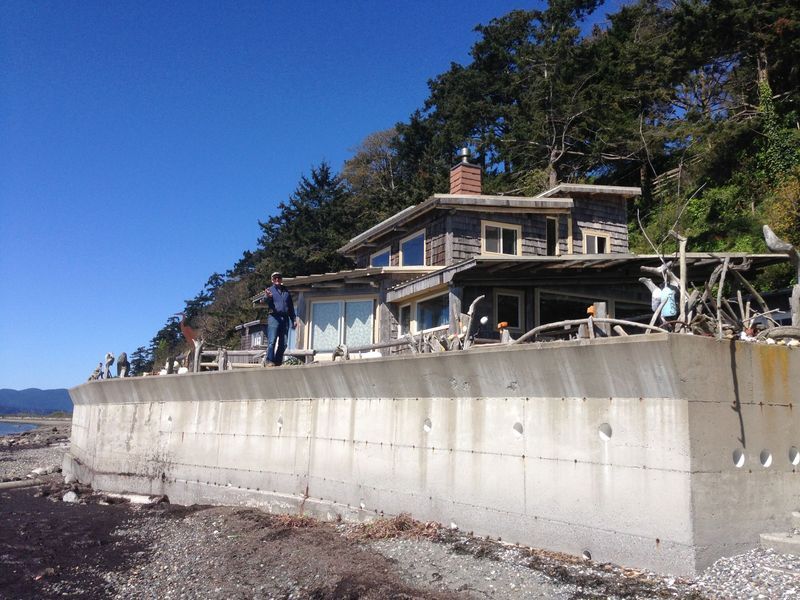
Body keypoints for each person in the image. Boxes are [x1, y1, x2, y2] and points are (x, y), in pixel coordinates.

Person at [262, 271, 297, 366]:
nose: (277, 279)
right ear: (272, 280)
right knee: (272, 341)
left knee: (284, 343)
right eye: (275, 278)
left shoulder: (286, 291)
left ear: (281, 279)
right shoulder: (269, 290)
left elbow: (291, 306)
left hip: (285, 318)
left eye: (279, 278)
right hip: (274, 317)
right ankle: (269, 360)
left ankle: (277, 362)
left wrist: (293, 319)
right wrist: (267, 297)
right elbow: (264, 300)